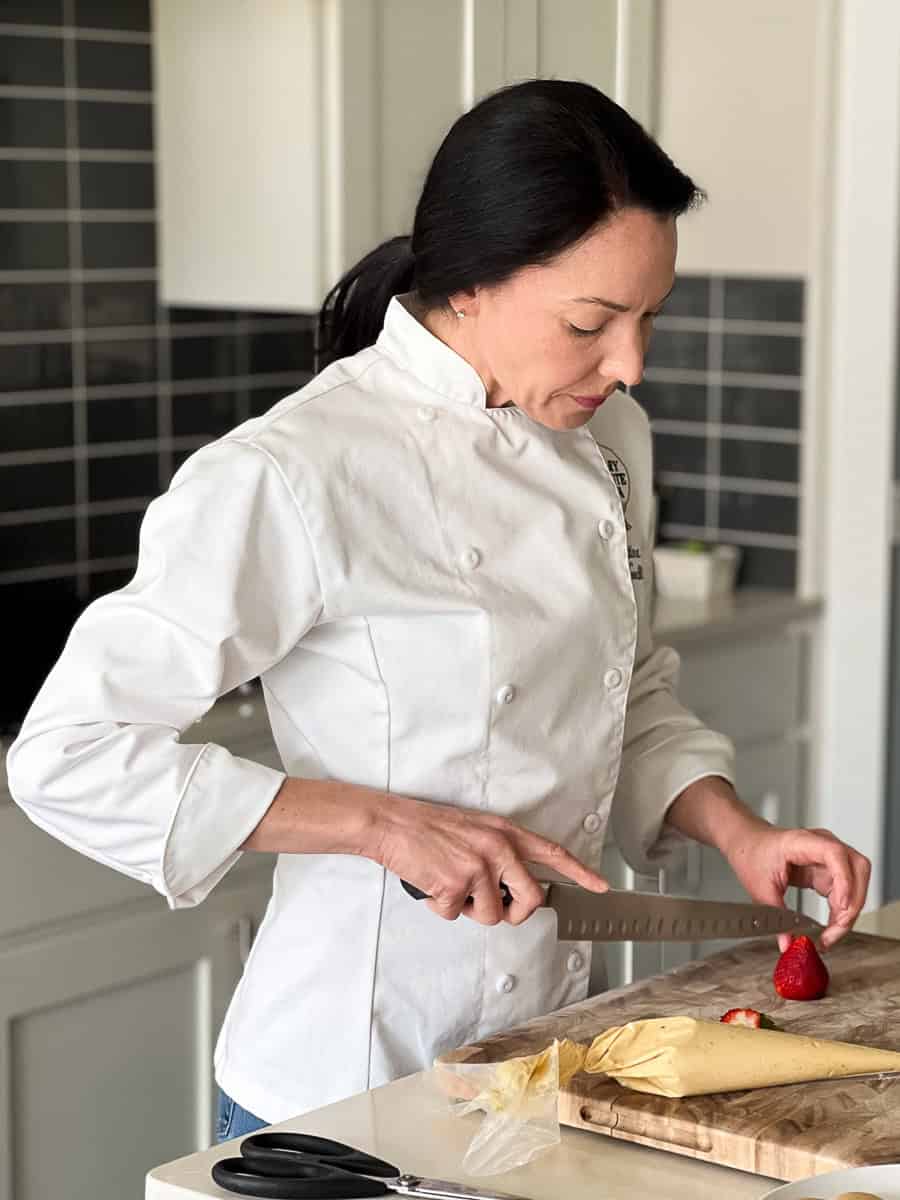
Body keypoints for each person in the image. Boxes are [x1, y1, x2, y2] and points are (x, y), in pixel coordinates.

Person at [7, 80, 870, 1142]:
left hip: (549, 1051)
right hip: (342, 1078)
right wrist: (380, 825)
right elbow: (68, 754)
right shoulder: (298, 470)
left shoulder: (610, 440)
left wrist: (737, 830)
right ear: (468, 285)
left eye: (650, 317)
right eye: (591, 323)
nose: (631, 364)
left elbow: (621, 688)